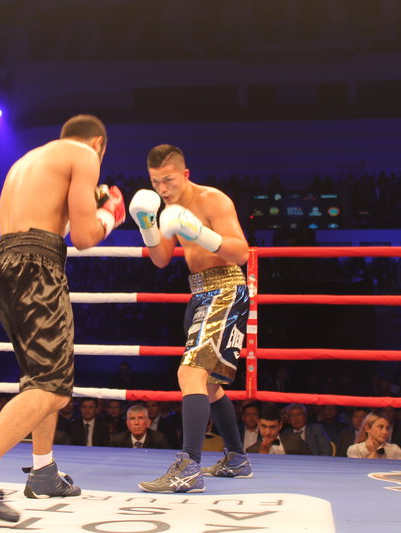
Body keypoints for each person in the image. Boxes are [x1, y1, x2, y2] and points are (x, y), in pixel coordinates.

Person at [0, 114, 125, 522]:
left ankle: (43, 471)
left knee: (40, 377)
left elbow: (51, 221)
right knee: (54, 387)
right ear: (99, 144)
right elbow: (84, 238)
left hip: (5, 264)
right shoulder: (84, 155)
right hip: (37, 266)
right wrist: (110, 214)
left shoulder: (29, 160)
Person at [132, 144, 251, 494]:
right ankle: (236, 459)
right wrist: (147, 224)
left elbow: (241, 252)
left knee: (190, 373)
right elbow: (161, 259)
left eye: (168, 180)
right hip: (198, 293)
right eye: (155, 182)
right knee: (209, 385)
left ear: (185, 174)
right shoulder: (166, 208)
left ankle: (189, 467)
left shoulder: (213, 200)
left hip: (225, 288)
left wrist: (200, 232)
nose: (162, 189)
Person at [246, 404, 312, 455]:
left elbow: (311, 462)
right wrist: (262, 454)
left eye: (272, 427)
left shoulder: (295, 441)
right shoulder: (251, 451)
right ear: (258, 424)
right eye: (264, 426)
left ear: (280, 425)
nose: (268, 432)